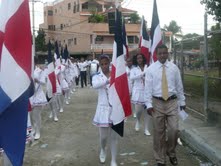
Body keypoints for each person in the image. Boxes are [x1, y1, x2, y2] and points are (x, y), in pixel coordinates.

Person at [144, 44, 186, 166]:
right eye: (160, 53)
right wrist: (148, 104)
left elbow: (179, 86)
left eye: (164, 53)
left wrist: (182, 101)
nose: (162, 55)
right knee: (158, 133)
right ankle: (160, 159)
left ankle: (171, 152)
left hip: (172, 102)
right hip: (157, 103)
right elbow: (148, 89)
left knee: (174, 130)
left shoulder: (174, 68)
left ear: (167, 53)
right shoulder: (151, 69)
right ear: (156, 54)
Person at [92, 55, 118, 166]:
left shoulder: (116, 74)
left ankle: (113, 160)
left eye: (106, 63)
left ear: (109, 63)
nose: (104, 66)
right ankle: (103, 149)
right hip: (103, 108)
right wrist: (108, 81)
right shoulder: (97, 76)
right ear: (99, 65)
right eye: (102, 64)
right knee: (103, 137)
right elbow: (95, 85)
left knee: (114, 136)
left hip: (115, 107)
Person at [130, 53, 151, 136]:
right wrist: (142, 74)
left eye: (141, 58)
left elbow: (151, 77)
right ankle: (138, 121)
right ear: (136, 60)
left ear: (143, 59)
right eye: (138, 58)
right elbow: (132, 78)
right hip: (138, 91)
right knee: (138, 111)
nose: (139, 59)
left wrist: (146, 76)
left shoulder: (148, 67)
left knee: (148, 111)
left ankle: (146, 129)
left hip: (147, 91)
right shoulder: (134, 69)